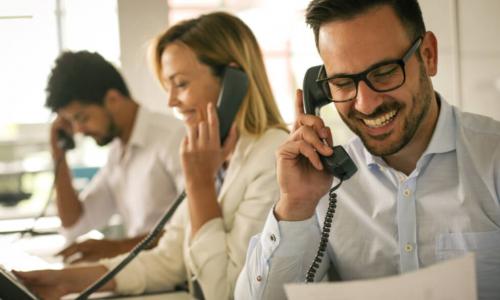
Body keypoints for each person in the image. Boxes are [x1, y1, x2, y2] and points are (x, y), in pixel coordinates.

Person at [235, 0, 500, 299]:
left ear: (428, 55)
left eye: (384, 72)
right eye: (343, 82)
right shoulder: (323, 185)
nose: (365, 103)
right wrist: (295, 205)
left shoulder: (493, 158)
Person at [15, 12, 289, 300]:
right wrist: (66, 280)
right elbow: (169, 259)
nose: (171, 101)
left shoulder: (271, 157)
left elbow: (225, 291)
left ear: (234, 81)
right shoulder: (214, 154)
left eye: (181, 84)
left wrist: (200, 186)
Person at [44, 51, 185, 263]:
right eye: (71, 122)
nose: (79, 130)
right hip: (143, 276)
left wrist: (117, 248)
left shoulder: (173, 138)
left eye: (82, 117)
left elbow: (195, 229)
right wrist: (58, 154)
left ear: (113, 99)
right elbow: (74, 225)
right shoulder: (118, 153)